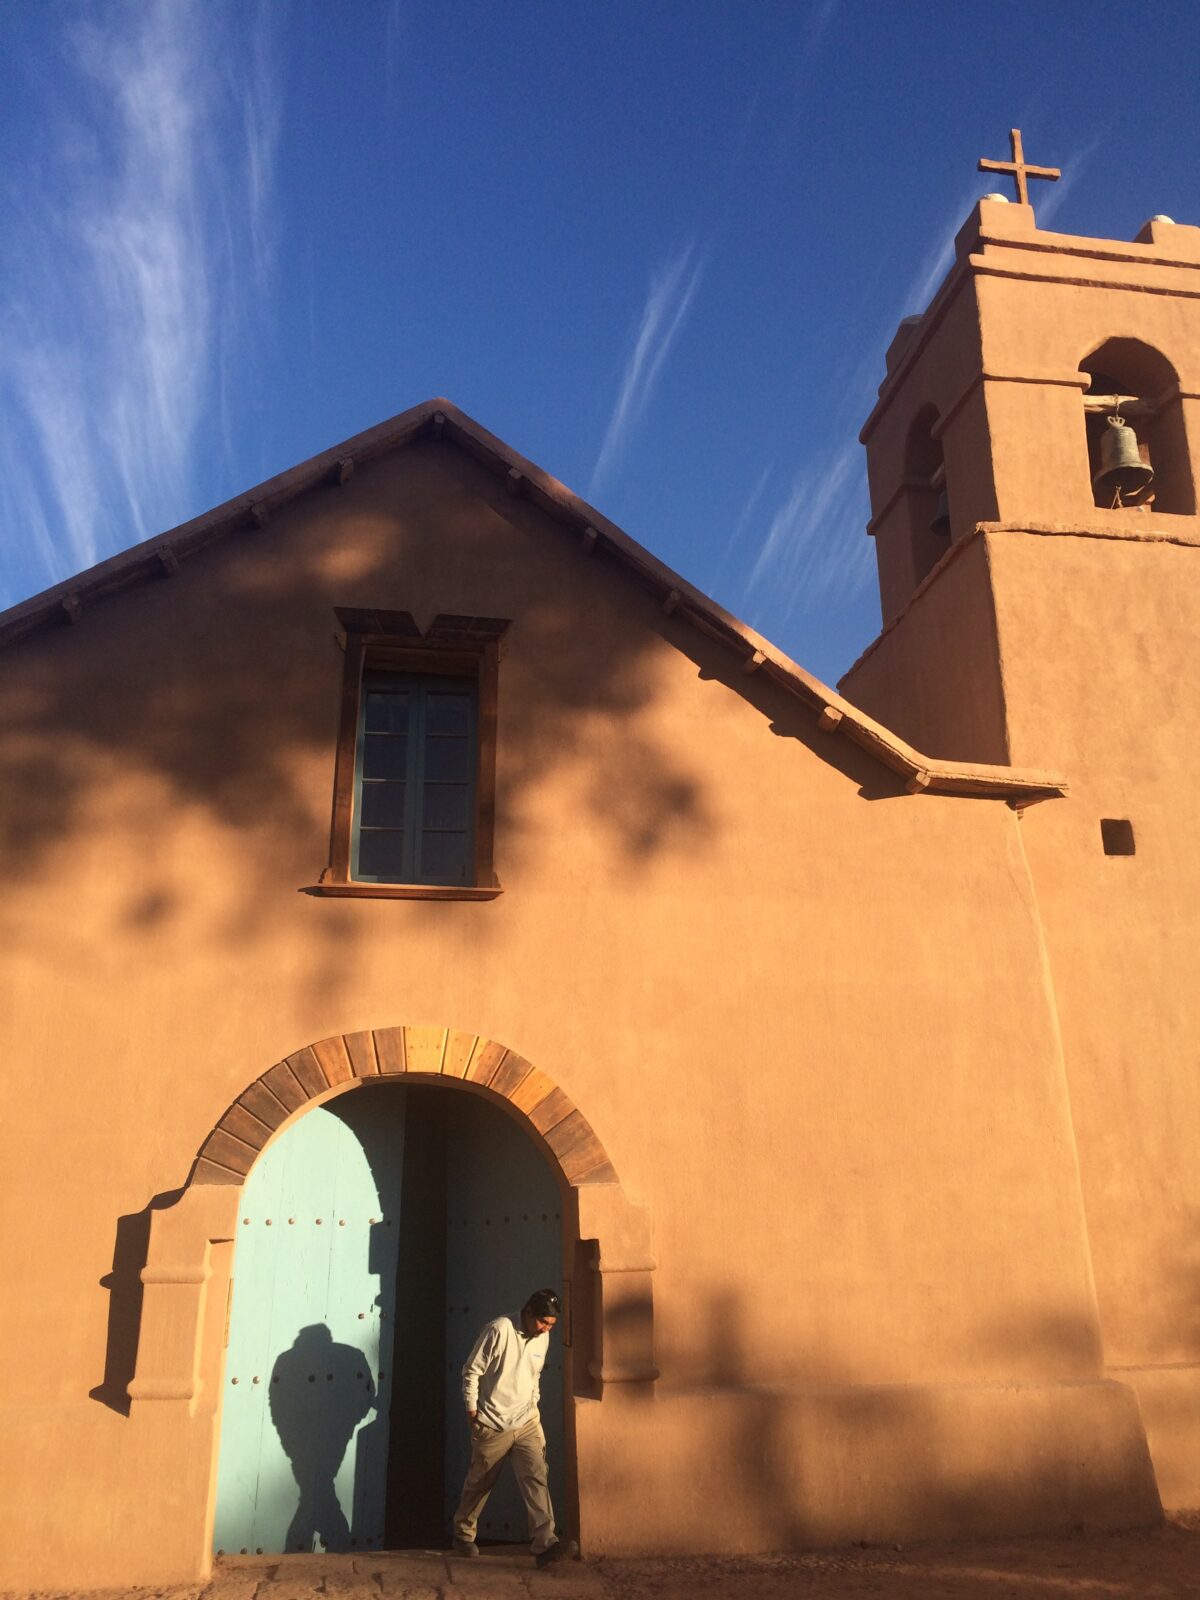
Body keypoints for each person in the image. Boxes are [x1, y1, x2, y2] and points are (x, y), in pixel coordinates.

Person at [451, 1287, 578, 1568]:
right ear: (529, 1312)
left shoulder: (542, 1338)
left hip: (527, 1421)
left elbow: (535, 1377)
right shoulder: (499, 1330)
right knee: (480, 1482)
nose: (546, 1329)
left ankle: (546, 1544)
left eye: (552, 1325)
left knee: (536, 1477)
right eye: (543, 1322)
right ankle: (462, 1534)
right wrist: (473, 1412)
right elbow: (472, 1370)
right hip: (492, 1422)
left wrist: (534, 1405)